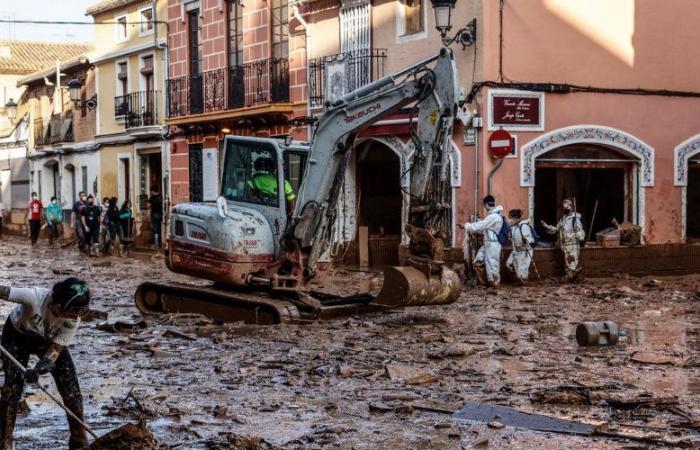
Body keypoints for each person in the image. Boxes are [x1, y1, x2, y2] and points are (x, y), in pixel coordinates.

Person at [0, 278, 91, 449]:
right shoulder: (34, 297)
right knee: (12, 389)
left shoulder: (74, 320)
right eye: (72, 312)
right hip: (16, 336)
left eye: (78, 313)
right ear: (58, 304)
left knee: (71, 387)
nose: (75, 317)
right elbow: (4, 291)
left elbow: (55, 351)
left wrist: (38, 370)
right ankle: (4, 442)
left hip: (48, 342)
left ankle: (79, 440)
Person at [462, 195, 505, 288]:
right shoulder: (492, 215)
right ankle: (484, 283)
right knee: (478, 262)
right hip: (487, 243)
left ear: (486, 205)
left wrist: (466, 226)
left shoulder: (494, 216)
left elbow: (480, 226)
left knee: (492, 264)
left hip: (493, 244)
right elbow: (483, 228)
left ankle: (494, 284)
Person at [542, 198, 585, 282]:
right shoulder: (563, 219)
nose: (565, 208)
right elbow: (557, 229)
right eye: (564, 206)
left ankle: (572, 277)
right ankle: (574, 277)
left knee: (572, 263)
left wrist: (578, 236)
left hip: (572, 245)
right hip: (565, 244)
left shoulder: (574, 219)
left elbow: (580, 231)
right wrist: (548, 226)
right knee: (568, 263)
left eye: (567, 206)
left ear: (571, 207)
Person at [506, 209, 535, 285]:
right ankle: (521, 280)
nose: (510, 220)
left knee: (522, 268)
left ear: (516, 218)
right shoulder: (514, 227)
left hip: (524, 250)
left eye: (511, 218)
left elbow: (529, 238)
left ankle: (524, 282)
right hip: (516, 250)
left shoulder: (523, 226)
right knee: (509, 264)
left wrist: (529, 242)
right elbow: (512, 238)